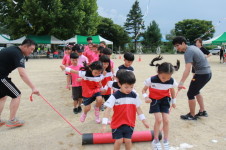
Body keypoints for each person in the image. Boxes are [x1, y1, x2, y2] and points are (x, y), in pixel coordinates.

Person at [101, 71, 149, 150]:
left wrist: (144, 120)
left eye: (131, 87)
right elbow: (108, 110)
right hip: (117, 123)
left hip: (129, 123)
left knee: (128, 140)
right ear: (119, 84)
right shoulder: (114, 96)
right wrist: (104, 124)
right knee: (119, 141)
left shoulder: (134, 96)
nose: (129, 89)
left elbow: (138, 109)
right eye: (126, 87)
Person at [142, 56, 179, 150]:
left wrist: (174, 101)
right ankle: (155, 140)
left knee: (166, 120)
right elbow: (143, 90)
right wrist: (146, 97)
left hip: (165, 100)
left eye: (168, 78)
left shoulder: (171, 81)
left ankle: (166, 140)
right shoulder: (151, 79)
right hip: (154, 100)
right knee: (158, 120)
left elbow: (172, 91)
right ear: (158, 72)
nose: (165, 79)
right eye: (163, 77)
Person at [0, 39, 40, 127]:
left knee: (2, 97)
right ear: (25, 46)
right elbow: (22, 74)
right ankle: (12, 120)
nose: (32, 51)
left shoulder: (13, 49)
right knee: (17, 95)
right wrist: (33, 87)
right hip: (1, 77)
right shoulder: (18, 54)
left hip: (2, 76)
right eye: (31, 49)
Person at [173, 36, 212, 120]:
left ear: (183, 43)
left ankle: (192, 115)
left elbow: (187, 69)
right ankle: (202, 111)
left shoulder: (188, 52)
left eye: (177, 45)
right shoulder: (192, 47)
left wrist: (181, 83)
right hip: (207, 73)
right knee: (196, 91)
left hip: (202, 74)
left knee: (190, 93)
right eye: (175, 46)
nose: (176, 48)